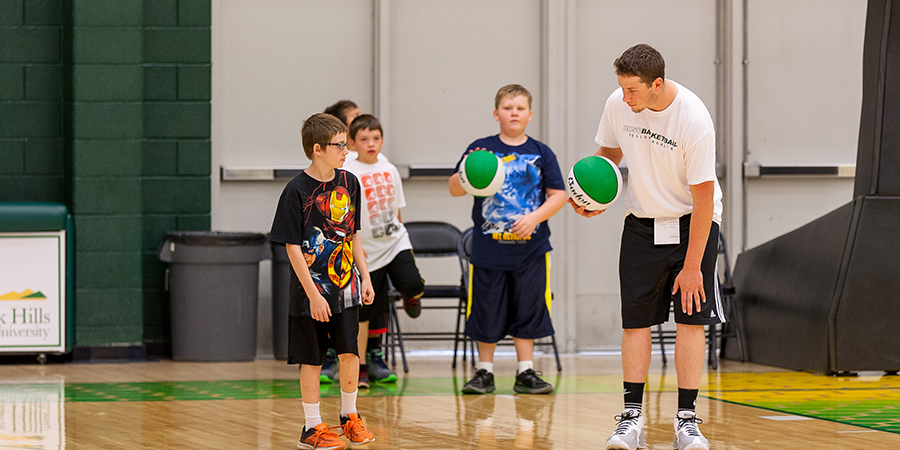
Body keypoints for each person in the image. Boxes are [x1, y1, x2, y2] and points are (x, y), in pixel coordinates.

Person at [569, 44, 723, 450]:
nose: (624, 98)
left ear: (657, 84)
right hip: (642, 223)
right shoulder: (619, 104)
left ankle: (687, 421)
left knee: (690, 321)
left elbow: (704, 200)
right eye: (621, 88)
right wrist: (592, 198)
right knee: (634, 322)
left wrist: (693, 268)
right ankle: (631, 419)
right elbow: (608, 156)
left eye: (632, 91)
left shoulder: (694, 120)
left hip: (693, 222)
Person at [448, 84, 566, 395]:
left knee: (528, 308)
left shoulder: (542, 153)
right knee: (485, 308)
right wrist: (467, 172)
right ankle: (483, 372)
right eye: (507, 107)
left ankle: (525, 372)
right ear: (496, 113)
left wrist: (534, 218)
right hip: (489, 249)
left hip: (531, 249)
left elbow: (559, 195)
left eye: (519, 107)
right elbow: (454, 188)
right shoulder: (480, 149)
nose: (513, 112)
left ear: (529, 115)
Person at [269, 113, 376, 450]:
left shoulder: (350, 182)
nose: (347, 151)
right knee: (312, 360)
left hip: (346, 288)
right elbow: (292, 247)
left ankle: (349, 417)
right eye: (340, 145)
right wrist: (313, 294)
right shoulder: (295, 191)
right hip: (309, 294)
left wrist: (366, 278)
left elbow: (353, 236)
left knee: (350, 354)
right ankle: (312, 427)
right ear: (317, 149)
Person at [342, 114, 425, 387]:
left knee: (412, 282)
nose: (371, 144)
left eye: (376, 138)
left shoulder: (389, 169)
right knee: (364, 310)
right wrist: (352, 245)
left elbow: (396, 209)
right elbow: (343, 215)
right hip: (366, 250)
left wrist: (400, 232)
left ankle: (410, 296)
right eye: (364, 139)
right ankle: (362, 367)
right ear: (352, 142)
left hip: (394, 241)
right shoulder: (348, 173)